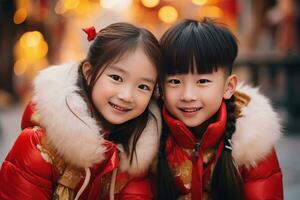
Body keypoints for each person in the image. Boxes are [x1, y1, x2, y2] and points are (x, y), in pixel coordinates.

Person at [0, 22, 162, 199]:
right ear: (89, 72)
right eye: (116, 78)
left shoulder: (135, 153)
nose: (127, 95)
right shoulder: (39, 147)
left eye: (143, 86)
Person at [156, 18, 283, 200]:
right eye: (175, 81)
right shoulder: (149, 139)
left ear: (228, 87)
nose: (188, 95)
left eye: (203, 81)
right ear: (161, 85)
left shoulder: (253, 142)